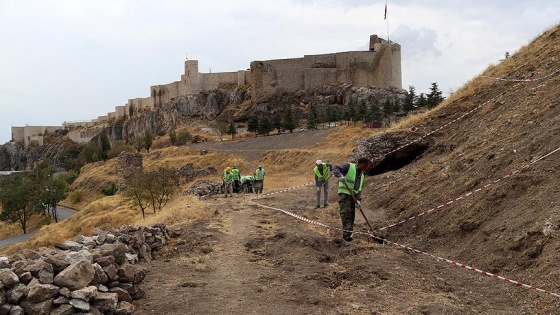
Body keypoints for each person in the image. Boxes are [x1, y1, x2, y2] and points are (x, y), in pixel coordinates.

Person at [331, 157, 369, 242]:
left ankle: (349, 234)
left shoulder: (362, 176)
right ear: (360, 163)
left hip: (353, 197)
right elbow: (335, 168)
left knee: (352, 216)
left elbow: (358, 189)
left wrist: (358, 200)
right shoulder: (348, 166)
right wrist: (340, 176)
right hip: (344, 194)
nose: (365, 168)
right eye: (365, 166)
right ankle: (347, 236)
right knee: (346, 214)